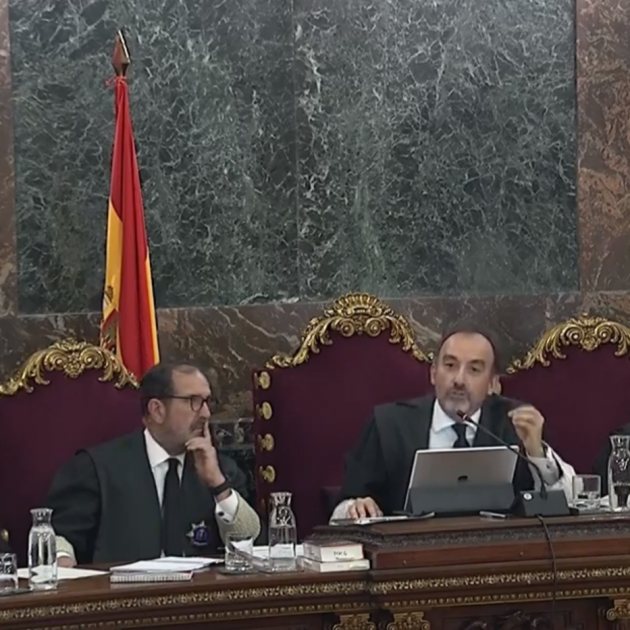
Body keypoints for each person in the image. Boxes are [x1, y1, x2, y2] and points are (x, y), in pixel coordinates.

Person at [332, 322, 576, 520]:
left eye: (474, 369)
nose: (459, 379)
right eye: (450, 365)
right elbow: (342, 511)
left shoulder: (515, 425)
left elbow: (567, 503)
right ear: (433, 373)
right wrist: (355, 508)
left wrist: (537, 454)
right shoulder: (389, 425)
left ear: (493, 384)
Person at [45, 362, 261, 566]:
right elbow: (58, 536)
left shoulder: (220, 469)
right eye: (193, 401)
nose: (206, 413)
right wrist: (62, 559)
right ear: (157, 410)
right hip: (121, 591)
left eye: (207, 402)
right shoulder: (97, 469)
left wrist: (218, 485)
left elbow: (250, 542)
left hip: (202, 591)